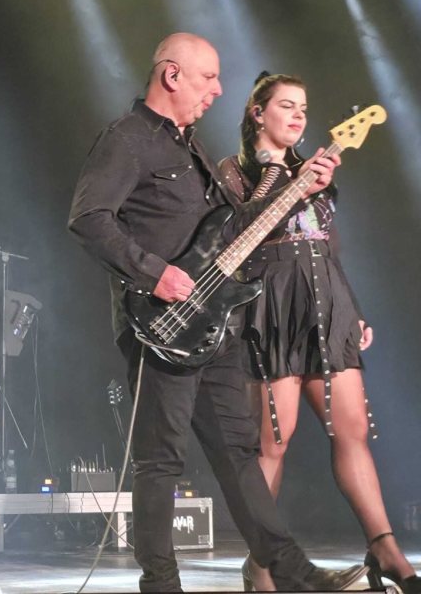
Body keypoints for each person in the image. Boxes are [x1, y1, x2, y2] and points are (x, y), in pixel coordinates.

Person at [68, 32, 365, 592]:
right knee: (161, 461)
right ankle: (161, 584)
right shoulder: (127, 139)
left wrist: (299, 189)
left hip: (216, 324)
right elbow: (88, 219)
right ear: (172, 75)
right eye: (208, 77)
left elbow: (236, 231)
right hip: (161, 326)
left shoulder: (194, 148)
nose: (219, 89)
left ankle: (293, 575)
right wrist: (153, 272)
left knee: (240, 454)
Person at [218, 72, 420, 593]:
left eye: (303, 107)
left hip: (327, 306)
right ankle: (261, 564)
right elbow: (239, 235)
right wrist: (287, 181)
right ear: (257, 113)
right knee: (272, 443)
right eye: (287, 105)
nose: (298, 115)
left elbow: (328, 248)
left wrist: (354, 311)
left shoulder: (318, 173)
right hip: (272, 307)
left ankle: (385, 550)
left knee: (352, 431)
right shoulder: (234, 172)